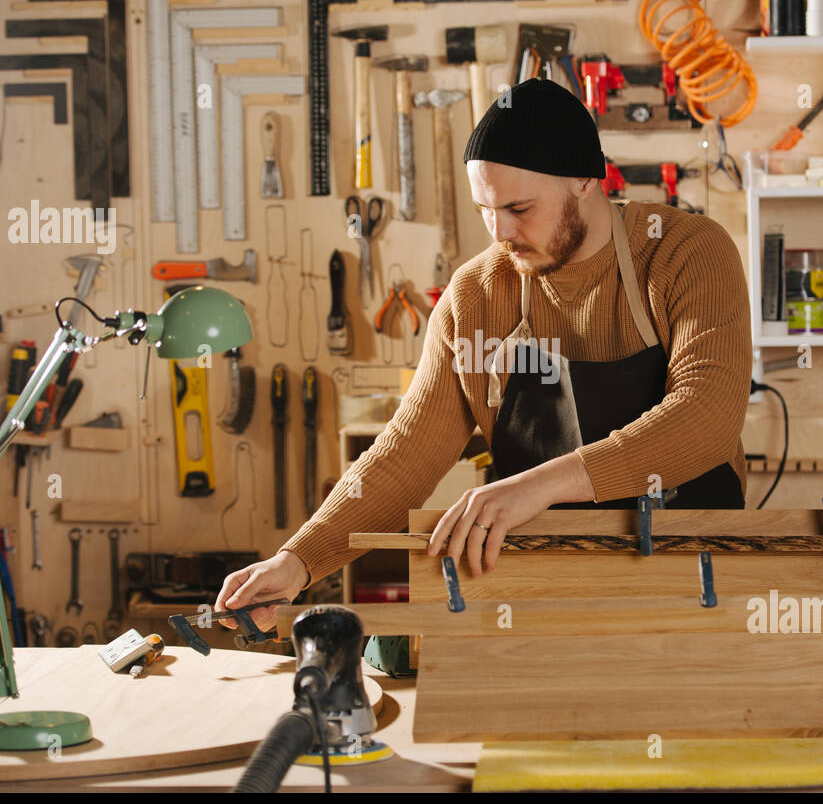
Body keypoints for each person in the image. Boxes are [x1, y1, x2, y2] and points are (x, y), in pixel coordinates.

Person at [216, 78, 751, 631]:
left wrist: (539, 485)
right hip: (542, 590)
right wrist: (300, 559)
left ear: (586, 179)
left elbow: (706, 415)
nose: (501, 233)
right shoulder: (475, 296)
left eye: (519, 208)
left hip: (694, 574)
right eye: (485, 210)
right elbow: (406, 452)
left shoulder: (686, 252)